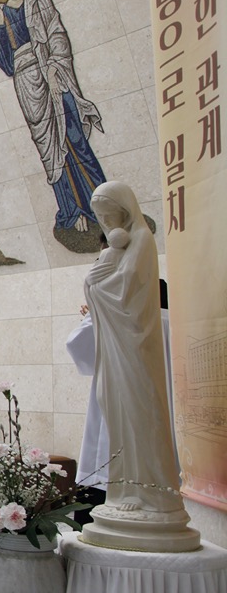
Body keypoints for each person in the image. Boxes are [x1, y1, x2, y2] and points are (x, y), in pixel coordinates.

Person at [80, 182, 197, 552]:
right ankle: (126, 489)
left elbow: (128, 288)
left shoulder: (141, 240)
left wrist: (96, 286)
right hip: (116, 350)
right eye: (100, 216)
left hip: (134, 348)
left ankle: (153, 493)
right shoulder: (118, 245)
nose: (106, 221)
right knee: (116, 411)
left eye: (109, 213)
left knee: (140, 415)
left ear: (124, 209)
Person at [0, 0, 106, 239]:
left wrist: (54, 66)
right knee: (49, 150)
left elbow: (57, 33)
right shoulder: (4, 14)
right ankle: (73, 212)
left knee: (74, 140)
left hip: (53, 77)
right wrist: (0, 26)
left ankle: (104, 206)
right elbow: (6, 63)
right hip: (28, 87)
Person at [66, 267, 177, 525]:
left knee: (109, 466)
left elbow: (79, 347)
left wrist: (95, 314)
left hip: (122, 409)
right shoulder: (175, 323)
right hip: (165, 414)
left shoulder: (118, 319)